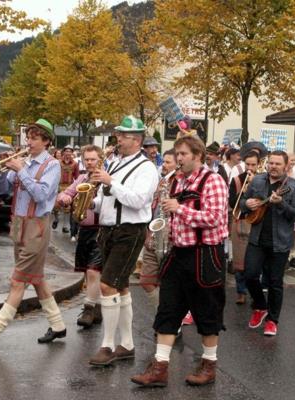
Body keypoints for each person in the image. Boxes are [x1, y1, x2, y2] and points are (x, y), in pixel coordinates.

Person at [131, 135, 228, 388]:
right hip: (178, 252)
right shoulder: (176, 181)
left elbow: (215, 218)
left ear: (197, 155)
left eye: (183, 154)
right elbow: (169, 215)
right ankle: (160, 368)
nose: (178, 159)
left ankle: (209, 365)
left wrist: (179, 209)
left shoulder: (213, 180)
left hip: (206, 254)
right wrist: (159, 229)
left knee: (207, 312)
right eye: (177, 154)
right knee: (168, 309)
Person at [0, 118, 66, 346]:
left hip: (37, 227)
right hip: (19, 225)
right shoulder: (24, 161)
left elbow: (41, 194)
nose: (29, 142)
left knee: (18, 281)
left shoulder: (52, 165)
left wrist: (22, 170)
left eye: (34, 138)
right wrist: (1, 172)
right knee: (36, 279)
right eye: (28, 137)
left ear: (46, 141)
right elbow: (2, 191)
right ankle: (58, 325)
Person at [88, 115, 159, 366]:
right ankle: (127, 344)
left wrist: (110, 182)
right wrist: (90, 202)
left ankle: (107, 345)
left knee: (107, 286)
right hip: (109, 230)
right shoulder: (114, 163)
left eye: (123, 135)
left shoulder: (147, 168)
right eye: (118, 134)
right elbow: (106, 200)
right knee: (122, 286)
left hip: (130, 230)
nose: (118, 138)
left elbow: (138, 200)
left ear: (137, 139)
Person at [240, 151, 295, 336]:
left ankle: (272, 320)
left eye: (277, 164)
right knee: (250, 275)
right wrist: (247, 203)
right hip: (257, 238)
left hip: (280, 241)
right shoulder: (258, 181)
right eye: (271, 163)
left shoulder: (293, 186)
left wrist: (281, 203)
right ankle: (260, 306)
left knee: (275, 283)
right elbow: (243, 202)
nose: (273, 166)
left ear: (286, 166)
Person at [57, 145, 104, 327]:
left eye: (93, 159)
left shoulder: (105, 179)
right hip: (84, 230)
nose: (90, 162)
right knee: (87, 272)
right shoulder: (83, 177)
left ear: (100, 159)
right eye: (87, 159)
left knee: (93, 271)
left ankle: (89, 309)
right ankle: (97, 307)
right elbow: (68, 192)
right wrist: (65, 198)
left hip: (101, 230)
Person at [141, 149, 177, 314]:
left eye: (168, 162)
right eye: (164, 161)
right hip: (153, 233)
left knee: (168, 283)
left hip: (169, 236)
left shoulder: (178, 182)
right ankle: (164, 314)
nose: (164, 165)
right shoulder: (162, 180)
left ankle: (168, 320)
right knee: (146, 281)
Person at [229, 150, 260, 305]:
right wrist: (245, 192)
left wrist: (255, 187)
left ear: (258, 165)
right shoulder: (236, 180)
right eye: (247, 164)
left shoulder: (262, 179)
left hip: (256, 222)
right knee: (239, 260)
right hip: (239, 221)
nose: (250, 168)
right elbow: (231, 202)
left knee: (254, 261)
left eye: (253, 165)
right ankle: (241, 292)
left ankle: (255, 293)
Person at [54, 145, 79, 236]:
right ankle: (56, 219)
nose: (68, 153)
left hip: (69, 186)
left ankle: (65, 226)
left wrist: (76, 187)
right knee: (56, 206)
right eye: (66, 151)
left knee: (67, 207)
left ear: (72, 153)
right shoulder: (58, 162)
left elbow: (77, 177)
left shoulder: (75, 164)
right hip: (58, 186)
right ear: (63, 152)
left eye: (70, 151)